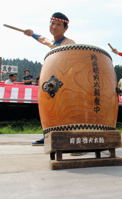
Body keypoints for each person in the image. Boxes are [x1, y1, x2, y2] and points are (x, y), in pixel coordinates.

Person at [24, 12, 75, 146]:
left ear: (65, 28)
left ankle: (69, 139)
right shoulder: (53, 41)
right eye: (52, 23)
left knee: (64, 110)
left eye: (58, 24)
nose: (54, 26)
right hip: (52, 82)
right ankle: (47, 136)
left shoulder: (69, 43)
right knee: (48, 108)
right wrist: (32, 34)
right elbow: (43, 39)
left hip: (65, 83)